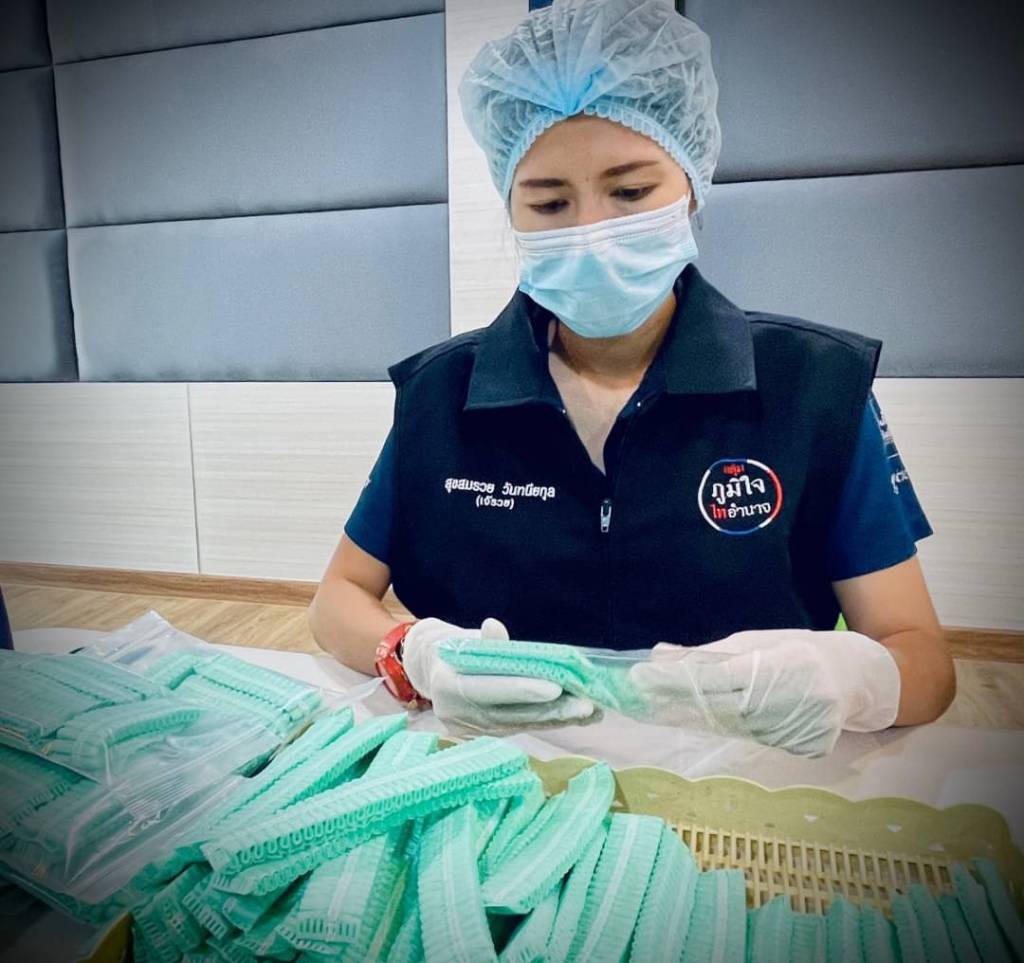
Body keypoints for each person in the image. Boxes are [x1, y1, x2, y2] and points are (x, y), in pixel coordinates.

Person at [310, 0, 954, 754]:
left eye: (631, 192)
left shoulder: (814, 388)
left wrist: (851, 680)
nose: (591, 230)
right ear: (511, 209)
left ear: (692, 183)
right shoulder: (442, 393)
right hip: (493, 783)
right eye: (550, 202)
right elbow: (336, 600)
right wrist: (409, 650)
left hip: (747, 790)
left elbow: (925, 662)